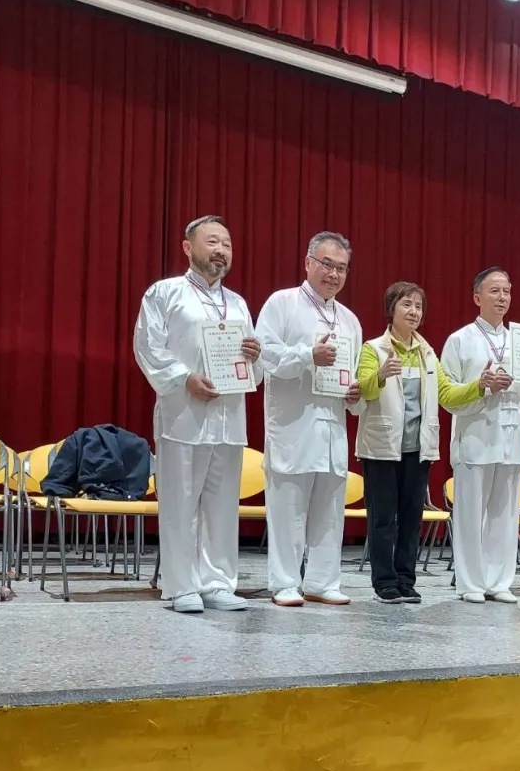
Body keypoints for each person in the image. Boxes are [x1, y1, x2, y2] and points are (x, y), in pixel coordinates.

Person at [133, 215, 262, 614]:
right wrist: (183, 378)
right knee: (180, 503)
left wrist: (255, 357)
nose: (221, 251)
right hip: (183, 416)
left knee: (222, 506)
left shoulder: (237, 302)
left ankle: (218, 582)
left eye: (227, 244)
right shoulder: (165, 293)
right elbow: (148, 347)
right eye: (212, 242)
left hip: (229, 417)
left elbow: (253, 368)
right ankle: (180, 586)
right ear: (188, 248)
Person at [356, 282, 486, 603]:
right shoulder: (373, 349)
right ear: (391, 309)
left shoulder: (427, 353)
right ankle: (384, 582)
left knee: (412, 518)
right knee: (383, 519)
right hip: (382, 448)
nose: (414, 312)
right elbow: (363, 391)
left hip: (418, 449)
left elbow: (447, 394)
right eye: (407, 305)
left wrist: (479, 386)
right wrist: (380, 375)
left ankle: (406, 580)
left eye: (418, 306)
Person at [256, 232, 363, 606]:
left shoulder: (349, 320)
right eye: (327, 264)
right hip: (293, 425)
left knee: (330, 511)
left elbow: (351, 375)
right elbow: (264, 357)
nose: (334, 274)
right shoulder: (282, 304)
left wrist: (354, 395)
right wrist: (306, 356)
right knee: (288, 510)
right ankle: (285, 582)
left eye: (341, 268)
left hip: (333, 427)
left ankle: (322, 581)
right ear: (307, 263)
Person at [440, 267, 520, 604]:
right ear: (477, 297)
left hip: (511, 439)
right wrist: (482, 386)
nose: (502, 297)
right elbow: (447, 397)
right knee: (470, 515)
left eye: (506, 291)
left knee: (505, 516)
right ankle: (470, 583)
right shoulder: (459, 340)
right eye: (494, 291)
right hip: (475, 437)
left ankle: (500, 581)